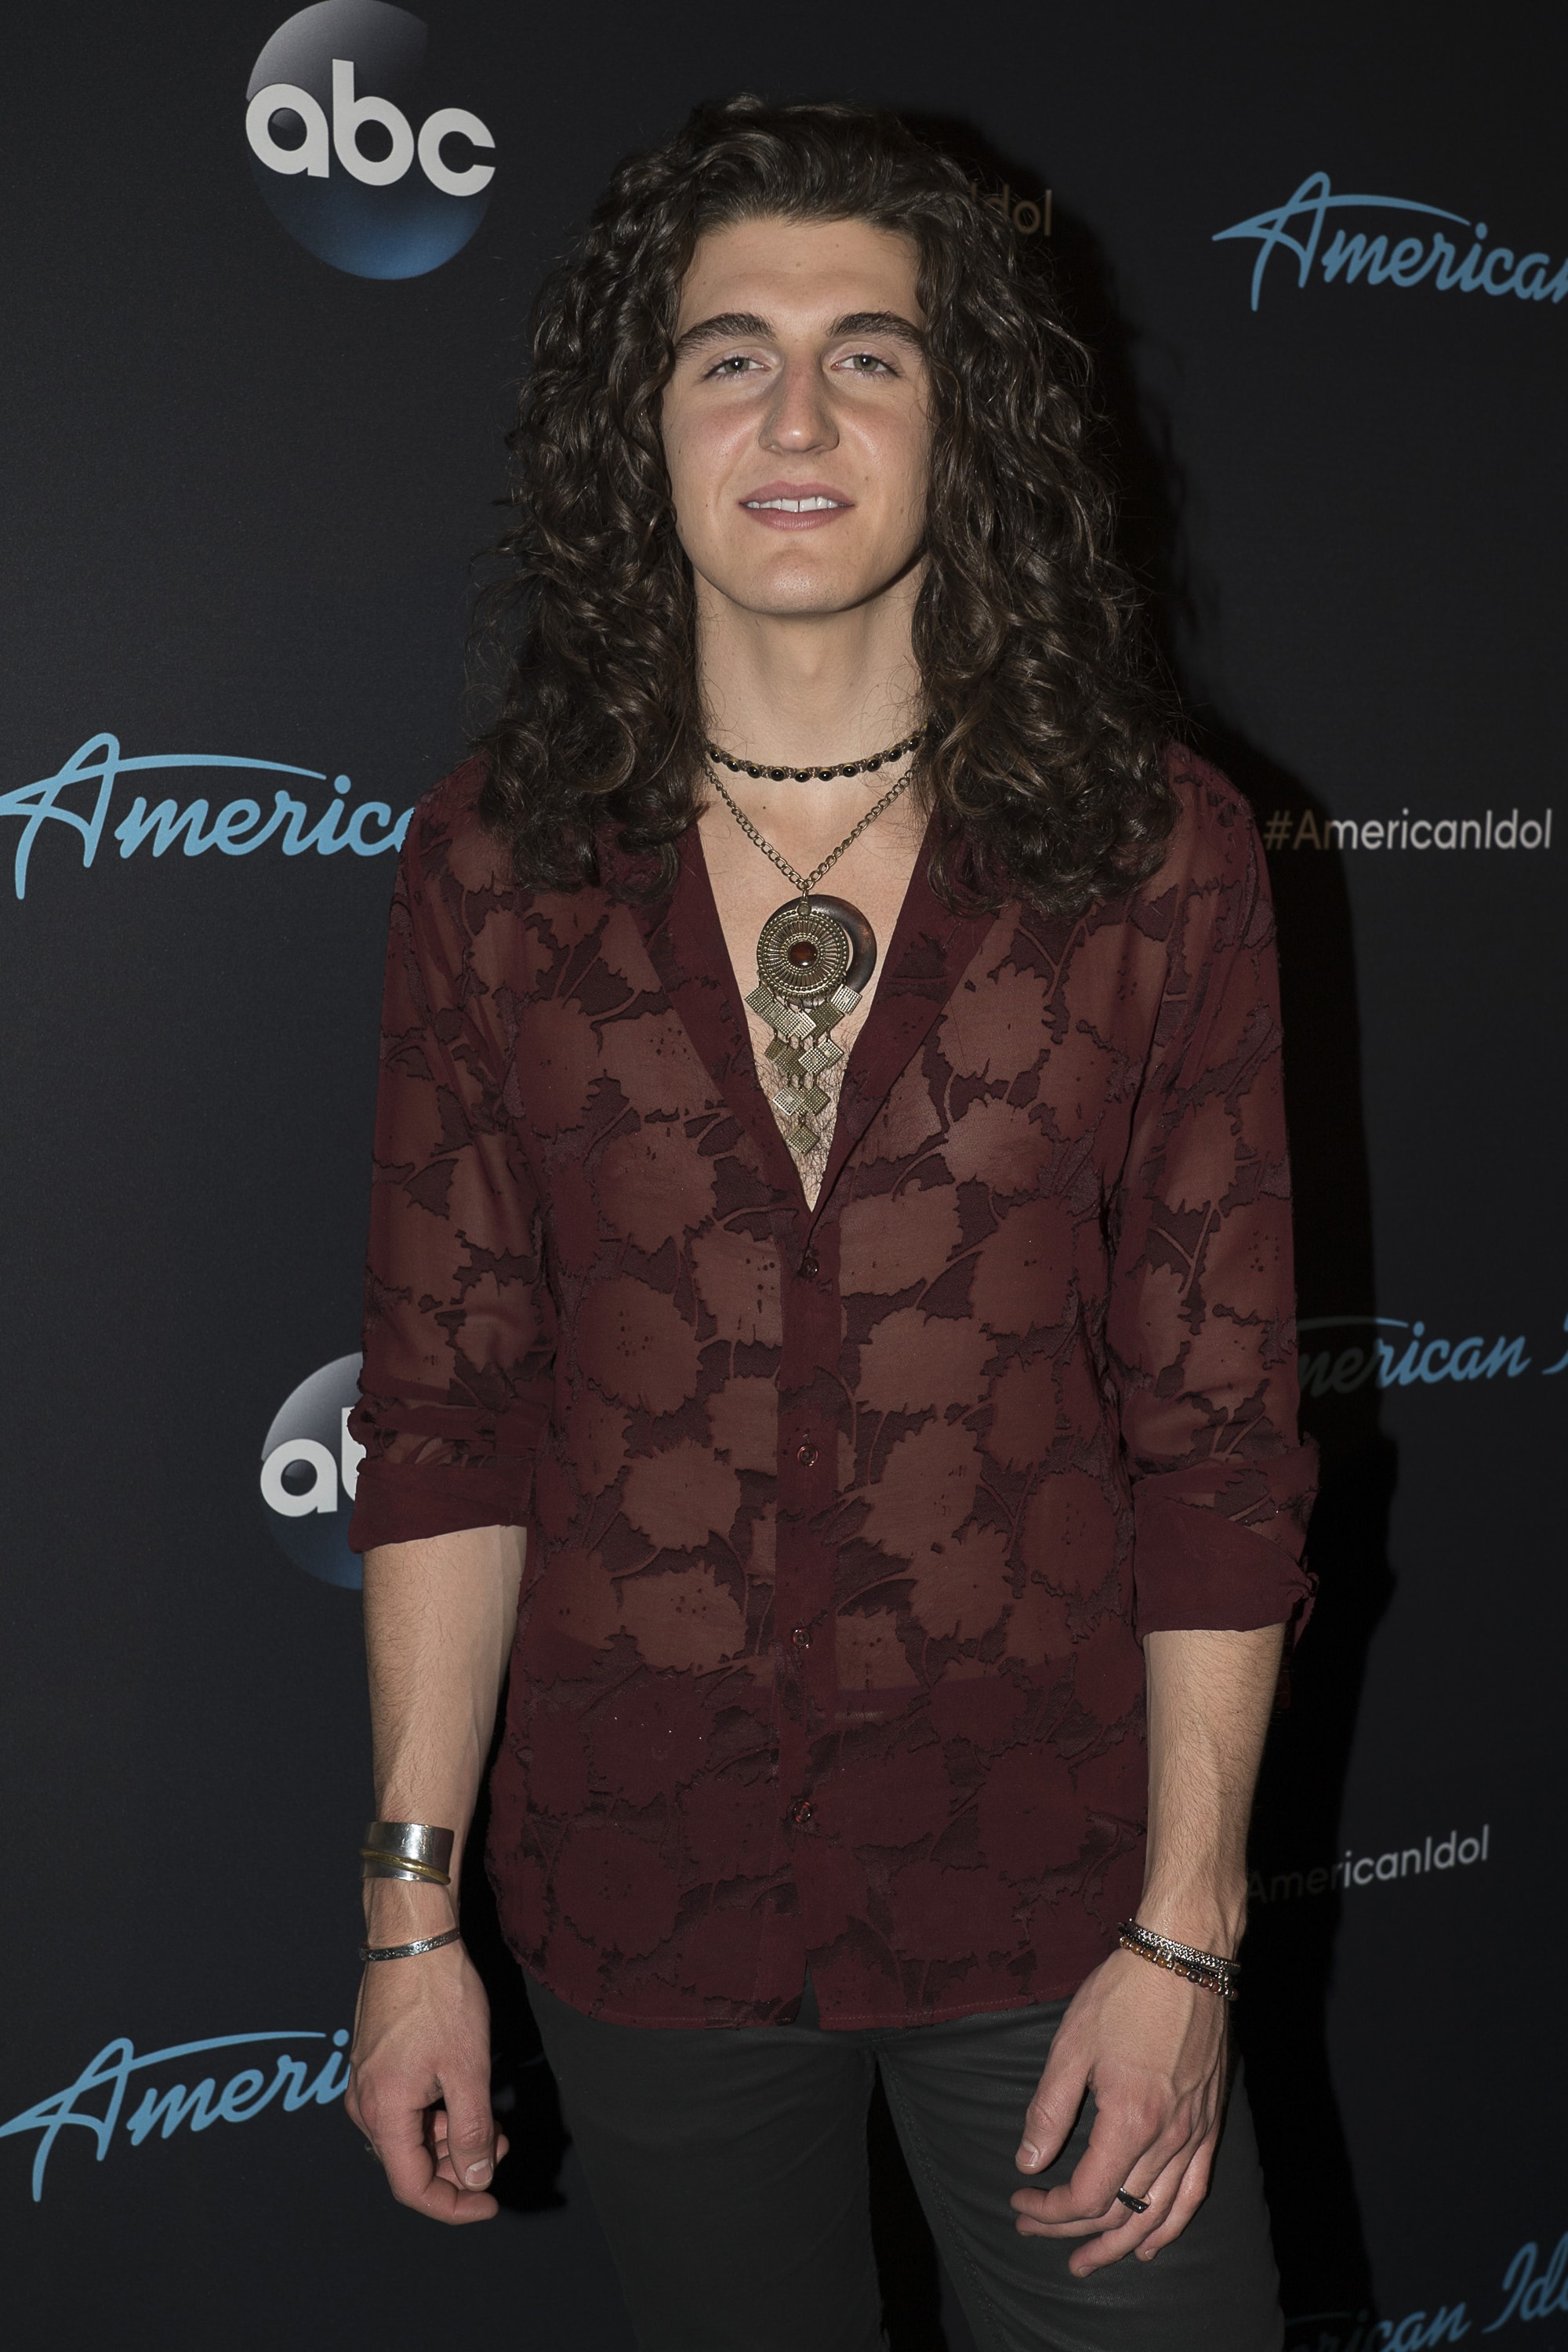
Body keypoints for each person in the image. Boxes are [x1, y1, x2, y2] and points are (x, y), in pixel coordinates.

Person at [343, 96, 1316, 2352]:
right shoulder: (496, 865)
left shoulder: (1156, 857)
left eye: (870, 356)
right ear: (645, 426)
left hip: (1061, 1905)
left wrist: (1186, 1938)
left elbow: (1221, 1446)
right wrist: (408, 1918)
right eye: (731, 356)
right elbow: (449, 1419)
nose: (797, 416)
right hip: (643, 1899)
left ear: (965, 432)